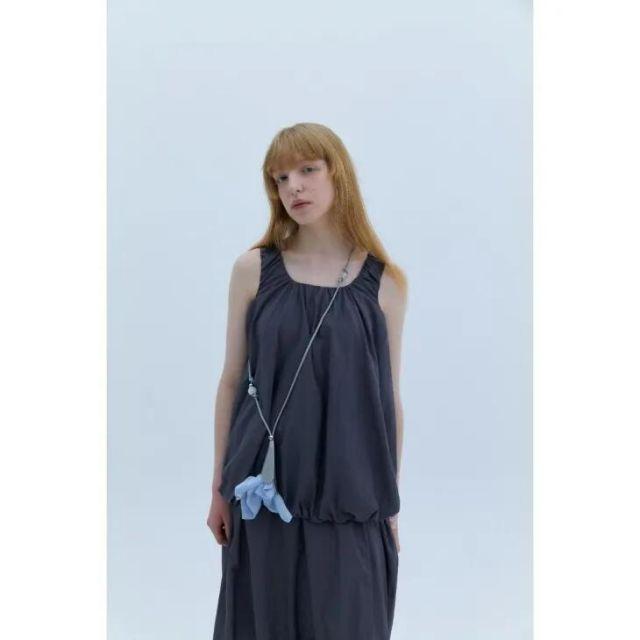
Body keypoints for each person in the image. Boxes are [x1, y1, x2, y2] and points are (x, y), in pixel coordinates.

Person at [207, 122, 408, 640]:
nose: (293, 186)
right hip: (264, 487)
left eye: (307, 170)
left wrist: (390, 500)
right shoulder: (253, 270)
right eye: (280, 178)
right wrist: (219, 489)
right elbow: (231, 381)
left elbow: (388, 398)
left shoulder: (385, 284)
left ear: (338, 173)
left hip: (350, 491)